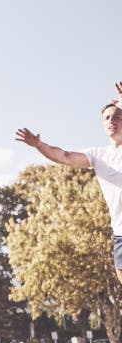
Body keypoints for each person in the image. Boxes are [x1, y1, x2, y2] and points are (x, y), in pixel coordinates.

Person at [15, 81, 122, 284]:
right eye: (107, 118)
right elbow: (63, 156)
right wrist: (38, 145)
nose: (111, 121)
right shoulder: (98, 155)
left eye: (117, 116)